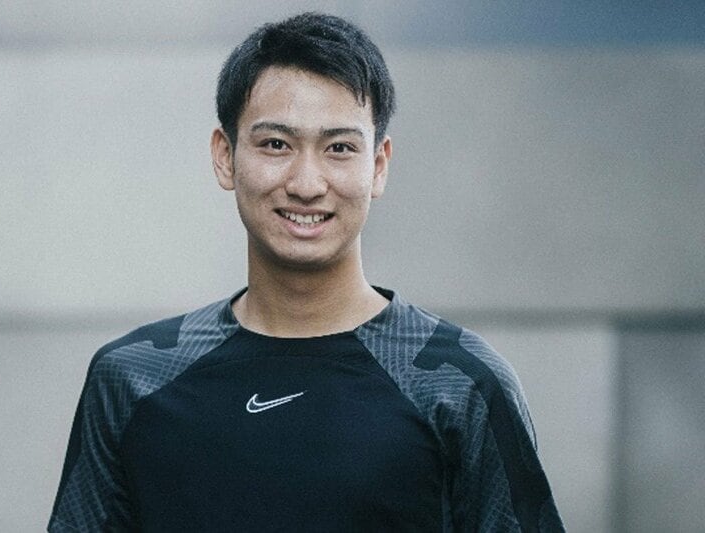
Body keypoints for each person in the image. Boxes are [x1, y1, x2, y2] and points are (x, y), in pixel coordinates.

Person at [49, 12, 564, 532]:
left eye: (339, 148)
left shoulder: (459, 383)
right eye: (276, 144)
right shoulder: (134, 379)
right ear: (225, 156)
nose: (306, 184)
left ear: (378, 166)